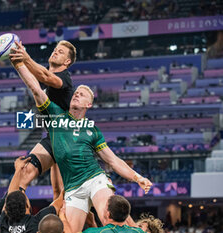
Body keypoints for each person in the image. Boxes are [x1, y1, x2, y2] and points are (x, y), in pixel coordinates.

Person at [10, 58, 152, 232]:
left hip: (95, 179)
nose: (76, 94)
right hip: (72, 189)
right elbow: (36, 89)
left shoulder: (92, 129)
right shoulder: (56, 115)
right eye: (76, 92)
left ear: (88, 104)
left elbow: (113, 161)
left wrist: (138, 178)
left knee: (110, 221)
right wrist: (19, 64)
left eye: (82, 94)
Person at [0, 40, 76, 225]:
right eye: (55, 50)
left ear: (67, 62)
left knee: (63, 195)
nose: (55, 52)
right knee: (24, 171)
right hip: (52, 138)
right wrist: (20, 60)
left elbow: (43, 76)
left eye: (60, 52)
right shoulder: (46, 77)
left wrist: (25, 59)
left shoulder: (64, 78)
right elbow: (35, 78)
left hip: (69, 141)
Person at [0, 157, 64, 232]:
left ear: (6, 208)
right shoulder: (6, 223)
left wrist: (18, 170)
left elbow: (11, 194)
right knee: (57, 196)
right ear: (27, 205)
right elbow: (61, 198)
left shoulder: (6, 222)